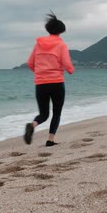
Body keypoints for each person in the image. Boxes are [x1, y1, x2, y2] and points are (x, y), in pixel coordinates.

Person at [24, 12, 74, 147]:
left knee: (44, 114)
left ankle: (32, 125)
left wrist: (40, 73)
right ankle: (50, 140)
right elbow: (67, 64)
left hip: (41, 84)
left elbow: (30, 63)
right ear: (60, 30)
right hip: (57, 83)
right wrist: (70, 70)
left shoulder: (38, 44)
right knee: (56, 113)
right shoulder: (61, 44)